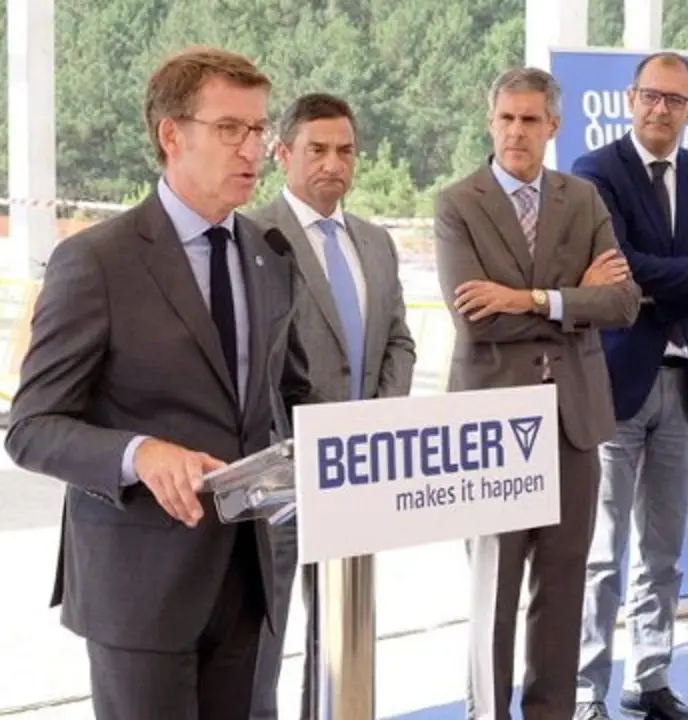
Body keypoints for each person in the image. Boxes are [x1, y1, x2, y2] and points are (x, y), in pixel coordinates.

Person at [3, 47, 319, 719]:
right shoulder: (96, 261)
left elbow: (290, 397)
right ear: (171, 134)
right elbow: (31, 428)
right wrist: (138, 453)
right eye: (229, 128)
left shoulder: (269, 256)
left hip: (247, 576)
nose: (252, 149)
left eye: (258, 128)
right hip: (139, 588)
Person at [434, 66, 641, 720]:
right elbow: (475, 318)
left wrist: (529, 299)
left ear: (554, 125)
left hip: (571, 422)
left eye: (530, 119)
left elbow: (623, 303)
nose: (517, 131)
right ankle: (487, 713)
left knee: (563, 583)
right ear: (490, 121)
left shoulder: (583, 198)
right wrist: (574, 299)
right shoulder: (457, 203)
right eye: (507, 118)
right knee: (493, 589)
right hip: (489, 425)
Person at [569, 51, 688, 720]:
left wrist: (673, 280)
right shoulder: (595, 171)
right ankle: (587, 689)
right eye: (651, 95)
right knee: (602, 554)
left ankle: (650, 679)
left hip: (685, 384)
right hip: (617, 383)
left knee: (664, 553)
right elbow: (619, 268)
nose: (660, 109)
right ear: (630, 99)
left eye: (675, 99)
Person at [248, 92, 416, 720]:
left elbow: (398, 341)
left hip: (358, 473)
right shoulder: (252, 236)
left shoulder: (375, 242)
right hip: (281, 473)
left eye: (345, 151)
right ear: (282, 153)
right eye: (316, 150)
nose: (332, 163)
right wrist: (299, 441)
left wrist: (375, 422)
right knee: (261, 641)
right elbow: (253, 360)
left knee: (341, 640)